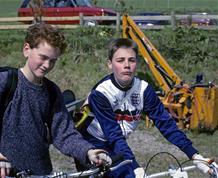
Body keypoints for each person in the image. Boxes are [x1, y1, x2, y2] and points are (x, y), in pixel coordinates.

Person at [0, 23, 111, 178]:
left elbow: (65, 134)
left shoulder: (52, 91)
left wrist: (89, 151)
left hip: (41, 174)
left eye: (53, 60)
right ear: (27, 49)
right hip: (3, 174)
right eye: (43, 57)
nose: (47, 65)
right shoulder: (2, 83)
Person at [75, 38, 217, 178]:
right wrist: (135, 166)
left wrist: (195, 156)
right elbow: (113, 134)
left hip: (117, 145)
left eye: (131, 60)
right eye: (120, 60)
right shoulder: (101, 92)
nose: (127, 65)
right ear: (110, 64)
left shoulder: (144, 90)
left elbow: (166, 124)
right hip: (92, 143)